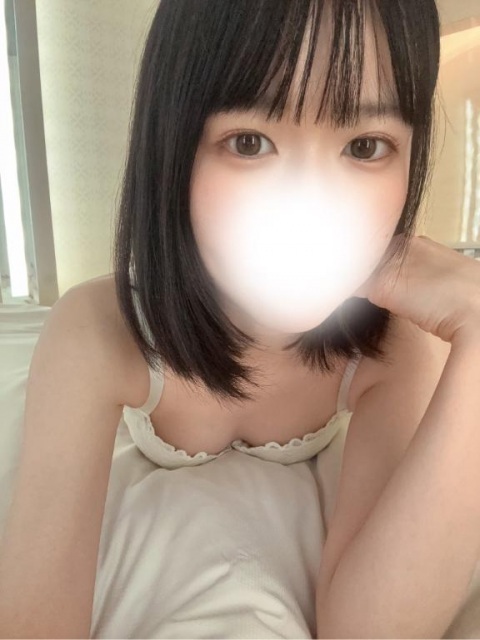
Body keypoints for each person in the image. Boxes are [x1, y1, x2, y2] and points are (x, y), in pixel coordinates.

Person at [1, 0, 480, 637]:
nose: (312, 205)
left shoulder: (395, 345)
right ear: (173, 148)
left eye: (366, 146)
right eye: (249, 142)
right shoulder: (98, 330)